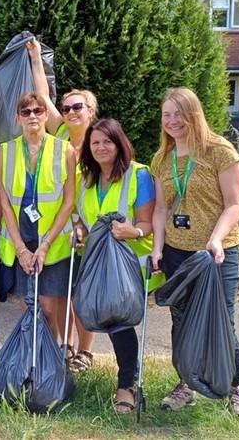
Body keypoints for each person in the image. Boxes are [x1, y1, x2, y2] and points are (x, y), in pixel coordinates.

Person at [151, 87, 239, 416]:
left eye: (178, 113)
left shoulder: (220, 151)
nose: (172, 121)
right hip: (177, 253)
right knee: (181, 322)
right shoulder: (162, 159)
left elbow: (234, 204)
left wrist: (217, 239)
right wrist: (156, 249)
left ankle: (233, 387)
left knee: (222, 322)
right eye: (166, 115)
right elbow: (161, 210)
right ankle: (187, 384)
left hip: (216, 254)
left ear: (194, 113)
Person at [74, 118, 156, 414]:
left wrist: (132, 231)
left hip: (129, 262)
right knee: (105, 316)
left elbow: (147, 223)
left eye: (107, 141)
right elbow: (81, 215)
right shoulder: (84, 177)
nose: (100, 147)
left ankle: (126, 385)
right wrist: (80, 230)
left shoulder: (138, 175)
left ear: (119, 143)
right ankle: (126, 377)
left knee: (119, 320)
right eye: (95, 142)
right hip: (97, 262)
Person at [27, 39, 97, 372]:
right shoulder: (62, 136)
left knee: (81, 299)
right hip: (63, 227)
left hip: (93, 229)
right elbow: (42, 97)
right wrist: (36, 59)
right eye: (66, 108)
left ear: (91, 111)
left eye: (77, 107)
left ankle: (84, 352)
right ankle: (58, 349)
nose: (70, 112)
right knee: (55, 297)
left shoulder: (102, 142)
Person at [0, 92, 76, 342]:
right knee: (30, 307)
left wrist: (45, 245)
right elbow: (5, 203)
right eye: (26, 112)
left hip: (52, 239)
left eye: (38, 111)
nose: (32, 116)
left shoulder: (66, 150)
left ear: (45, 115)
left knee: (50, 308)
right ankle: (35, 357)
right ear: (17, 118)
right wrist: (21, 249)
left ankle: (53, 355)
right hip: (20, 237)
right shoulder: (4, 152)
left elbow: (68, 202)